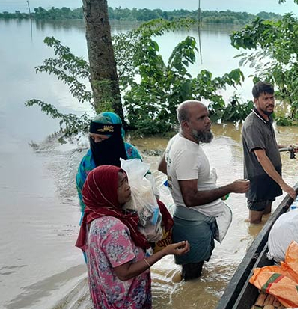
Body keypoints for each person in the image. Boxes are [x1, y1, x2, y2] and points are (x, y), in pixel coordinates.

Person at [158, 100, 250, 280]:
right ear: (186, 124)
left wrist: (183, 184)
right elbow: (190, 199)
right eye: (201, 118)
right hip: (193, 221)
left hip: (188, 217)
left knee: (192, 271)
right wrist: (230, 188)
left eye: (208, 115)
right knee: (192, 278)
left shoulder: (177, 140)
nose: (208, 121)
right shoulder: (187, 152)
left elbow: (162, 166)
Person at [76, 165, 189, 309]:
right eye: (119, 185)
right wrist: (165, 251)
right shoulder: (113, 227)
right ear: (105, 192)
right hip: (126, 301)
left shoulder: (94, 217)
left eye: (126, 181)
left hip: (107, 296)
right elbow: (125, 273)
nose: (127, 187)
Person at [242, 82, 298, 224]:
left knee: (267, 214)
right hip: (258, 180)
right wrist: (284, 185)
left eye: (272, 98)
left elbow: (269, 146)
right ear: (256, 101)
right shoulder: (252, 124)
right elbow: (261, 156)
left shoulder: (265, 118)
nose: (270, 102)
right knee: (255, 222)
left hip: (270, 175)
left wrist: (289, 147)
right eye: (265, 99)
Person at [76, 112, 142, 214]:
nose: (96, 143)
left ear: (115, 137)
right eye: (92, 138)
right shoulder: (87, 163)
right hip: (100, 215)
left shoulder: (130, 154)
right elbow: (84, 197)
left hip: (131, 210)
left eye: (101, 138)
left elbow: (143, 184)